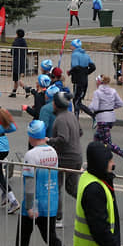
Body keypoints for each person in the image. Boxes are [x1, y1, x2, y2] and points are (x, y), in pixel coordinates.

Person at [4, 120, 82, 246]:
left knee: (22, 239)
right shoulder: (52, 151)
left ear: (31, 136)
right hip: (51, 201)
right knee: (52, 238)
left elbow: (30, 182)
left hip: (35, 203)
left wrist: (29, 206)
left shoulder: (31, 155)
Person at [75, 141, 122, 246]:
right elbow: (99, 226)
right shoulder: (95, 188)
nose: (113, 164)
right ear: (101, 163)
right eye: (110, 161)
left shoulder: (88, 177)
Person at [48, 91, 83, 227]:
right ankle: (91, 206)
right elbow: (80, 132)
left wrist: (49, 140)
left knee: (55, 187)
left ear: (57, 104)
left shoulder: (61, 119)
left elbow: (63, 139)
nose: (52, 104)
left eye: (53, 102)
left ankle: (58, 218)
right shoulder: (71, 115)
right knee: (72, 189)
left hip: (64, 159)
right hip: (76, 157)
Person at [88, 75, 123, 169]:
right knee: (97, 139)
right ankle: (95, 161)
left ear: (99, 82)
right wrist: (110, 107)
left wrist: (89, 107)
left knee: (107, 143)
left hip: (102, 119)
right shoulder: (113, 91)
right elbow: (120, 103)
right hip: (111, 118)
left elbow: (95, 107)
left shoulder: (97, 93)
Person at [69, 39, 96, 117]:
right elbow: (93, 67)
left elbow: (75, 67)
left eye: (71, 46)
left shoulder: (75, 55)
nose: (70, 47)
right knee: (78, 101)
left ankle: (92, 115)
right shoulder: (86, 55)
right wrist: (86, 73)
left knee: (76, 101)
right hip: (85, 80)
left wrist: (70, 72)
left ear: (74, 46)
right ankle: (77, 118)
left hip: (78, 81)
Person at [10, 29, 27, 98]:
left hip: (16, 61)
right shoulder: (24, 42)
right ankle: (14, 92)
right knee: (16, 79)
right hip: (22, 61)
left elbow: (12, 52)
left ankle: (26, 88)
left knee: (17, 78)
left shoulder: (16, 41)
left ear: (17, 34)